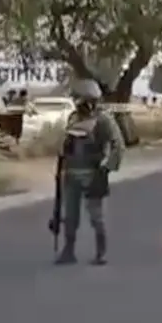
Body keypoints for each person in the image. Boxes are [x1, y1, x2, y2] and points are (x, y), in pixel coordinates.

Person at [53, 79, 125, 265]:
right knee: (70, 216)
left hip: (92, 173)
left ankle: (101, 252)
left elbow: (118, 146)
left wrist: (106, 168)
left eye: (81, 100)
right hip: (71, 173)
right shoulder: (73, 118)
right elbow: (64, 145)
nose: (79, 104)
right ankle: (69, 251)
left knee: (96, 216)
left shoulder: (103, 120)